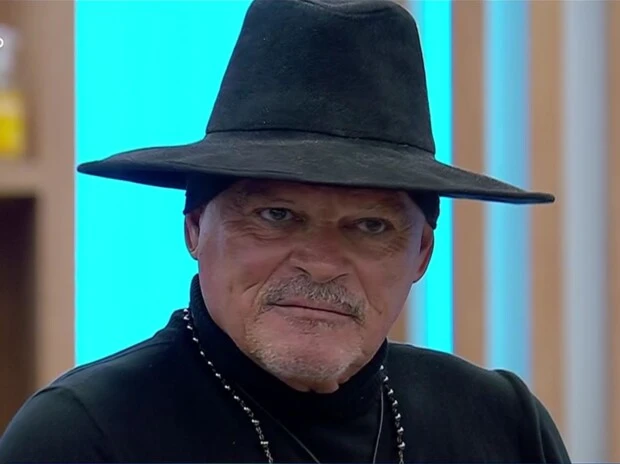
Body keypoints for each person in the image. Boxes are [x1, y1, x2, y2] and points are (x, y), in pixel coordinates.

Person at [0, 0, 571, 462]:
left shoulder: (501, 423)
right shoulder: (84, 436)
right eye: (276, 216)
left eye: (370, 226)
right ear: (195, 227)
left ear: (422, 252)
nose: (321, 263)